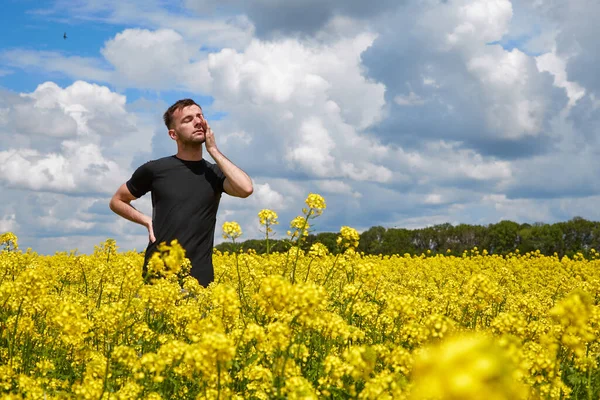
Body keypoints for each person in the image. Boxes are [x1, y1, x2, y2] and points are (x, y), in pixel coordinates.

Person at [109, 99, 253, 287]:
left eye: (200, 116)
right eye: (188, 119)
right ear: (173, 134)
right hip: (158, 279)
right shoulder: (155, 169)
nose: (198, 122)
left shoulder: (215, 173)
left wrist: (213, 150)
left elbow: (246, 189)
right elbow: (117, 201)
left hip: (200, 281)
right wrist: (146, 221)